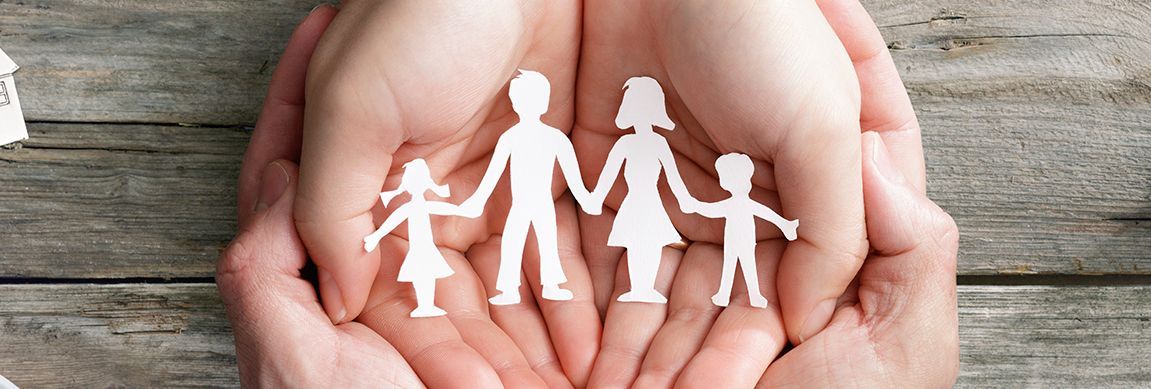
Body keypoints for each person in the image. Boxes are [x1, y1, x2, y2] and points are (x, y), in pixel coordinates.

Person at [220, 1, 959, 387]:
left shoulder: (580, 141)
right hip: (538, 206)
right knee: (519, 254)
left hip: (594, 209)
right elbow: (562, 174)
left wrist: (597, 186)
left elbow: (619, 180)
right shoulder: (522, 139)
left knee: (544, 250)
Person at [457, 69, 596, 306]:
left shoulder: (555, 138)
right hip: (520, 203)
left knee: (547, 242)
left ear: (544, 103)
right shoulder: (510, 137)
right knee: (513, 241)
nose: (523, 104)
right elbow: (493, 172)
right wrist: (478, 200)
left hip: (542, 202)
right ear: (515, 103)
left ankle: (551, 285)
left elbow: (573, 175)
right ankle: (509, 289)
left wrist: (585, 198)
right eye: (519, 99)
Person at [586, 76, 697, 304]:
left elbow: (673, 175)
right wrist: (596, 198)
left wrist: (685, 199)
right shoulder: (624, 143)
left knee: (653, 243)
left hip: (651, 200)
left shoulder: (659, 143)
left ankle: (647, 288)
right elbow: (609, 173)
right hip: (633, 200)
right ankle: (638, 288)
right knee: (636, 243)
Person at [688, 153, 799, 309]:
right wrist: (696, 206)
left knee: (745, 265)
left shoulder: (741, 204)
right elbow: (712, 210)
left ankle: (751, 295)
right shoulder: (733, 204)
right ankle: (725, 295)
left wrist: (696, 206)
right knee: (732, 265)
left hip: (745, 240)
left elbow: (765, 213)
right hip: (733, 240)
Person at [363, 159, 458, 318]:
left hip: (426, 248)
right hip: (419, 249)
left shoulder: (421, 205)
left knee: (428, 275)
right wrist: (375, 237)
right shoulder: (409, 207)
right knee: (422, 275)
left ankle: (427, 306)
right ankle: (424, 306)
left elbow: (445, 208)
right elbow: (391, 223)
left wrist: (462, 210)